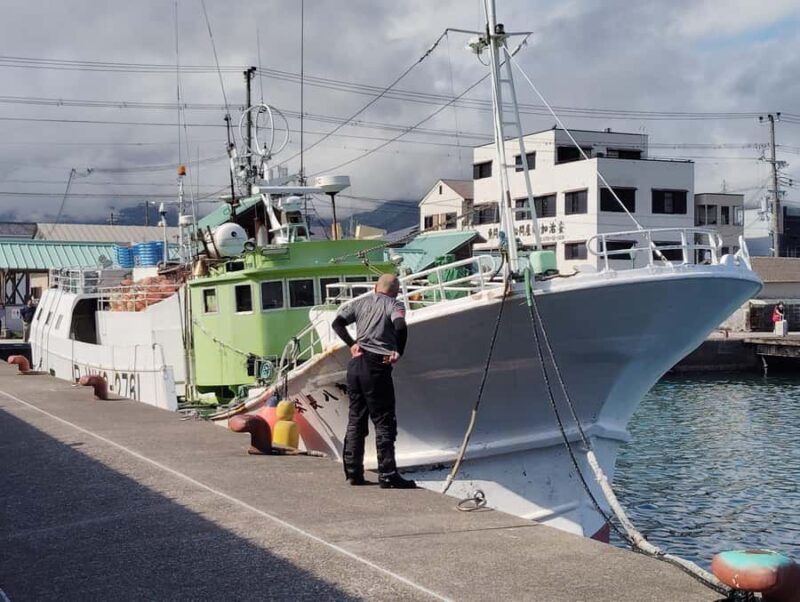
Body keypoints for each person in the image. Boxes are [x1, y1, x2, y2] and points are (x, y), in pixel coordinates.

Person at [331, 273, 416, 489]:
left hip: (355, 366)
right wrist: (398, 351)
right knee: (384, 421)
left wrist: (352, 343)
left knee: (356, 419)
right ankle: (387, 474)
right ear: (396, 290)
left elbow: (337, 323)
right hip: (377, 367)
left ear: (375, 287)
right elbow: (400, 327)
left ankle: (353, 472)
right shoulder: (394, 305)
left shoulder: (360, 303)